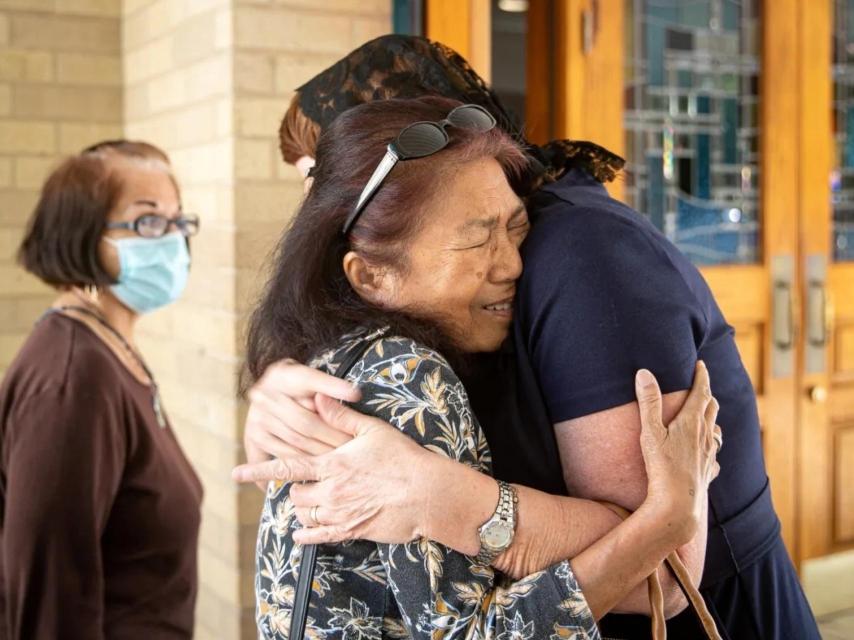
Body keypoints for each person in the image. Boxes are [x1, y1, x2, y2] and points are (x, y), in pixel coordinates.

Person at [235, 36, 820, 639]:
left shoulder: (582, 252)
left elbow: (663, 580)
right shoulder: (391, 346)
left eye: (320, 173)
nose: (315, 207)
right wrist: (284, 405)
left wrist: (451, 499)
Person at [0, 140, 203, 639]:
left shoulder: (109, 347)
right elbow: (49, 600)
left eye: (178, 221)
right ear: (84, 235)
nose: (172, 239)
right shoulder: (73, 379)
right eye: (148, 221)